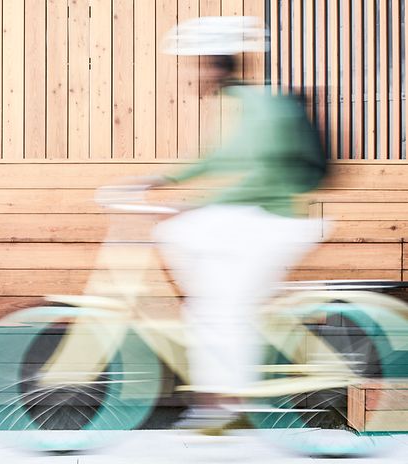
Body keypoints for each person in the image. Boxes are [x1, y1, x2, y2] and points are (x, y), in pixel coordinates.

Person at [138, 16, 327, 429]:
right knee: (206, 303)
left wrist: (195, 204)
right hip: (255, 220)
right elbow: (217, 159)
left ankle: (227, 403)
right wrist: (159, 180)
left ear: (216, 65)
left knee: (218, 305)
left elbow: (261, 175)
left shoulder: (258, 107)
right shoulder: (237, 104)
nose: (192, 75)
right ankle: (221, 400)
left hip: (274, 221)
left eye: (198, 65)